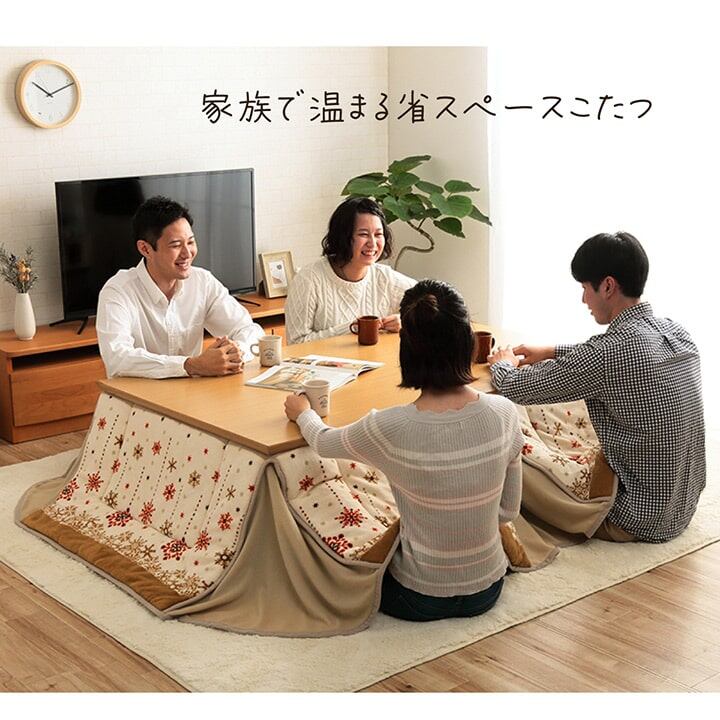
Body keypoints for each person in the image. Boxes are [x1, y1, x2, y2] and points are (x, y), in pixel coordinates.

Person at [285, 279, 523, 622]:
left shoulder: (390, 426)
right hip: (487, 590)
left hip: (419, 597)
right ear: (468, 343)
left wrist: (302, 412)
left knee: (341, 574)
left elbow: (322, 441)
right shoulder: (505, 413)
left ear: (407, 351)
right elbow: (507, 512)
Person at [487, 231, 705, 543]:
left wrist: (502, 362)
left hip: (636, 517)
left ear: (607, 286)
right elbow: (608, 356)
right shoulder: (675, 332)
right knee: (569, 407)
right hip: (681, 507)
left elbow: (515, 386)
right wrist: (553, 351)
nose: (583, 300)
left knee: (502, 433)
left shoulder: (607, 354)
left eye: (584, 288)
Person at [97, 196, 264, 378]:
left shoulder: (202, 281)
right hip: (136, 395)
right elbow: (118, 358)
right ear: (145, 249)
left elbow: (250, 330)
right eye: (176, 245)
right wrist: (190, 365)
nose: (187, 253)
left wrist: (235, 352)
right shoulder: (118, 290)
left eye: (190, 242)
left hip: (190, 392)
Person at [284, 197, 416, 344]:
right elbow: (295, 343)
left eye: (378, 234)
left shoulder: (385, 277)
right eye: (363, 234)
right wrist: (349, 329)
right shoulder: (308, 279)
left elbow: (432, 297)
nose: (373, 243)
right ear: (343, 237)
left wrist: (405, 321)